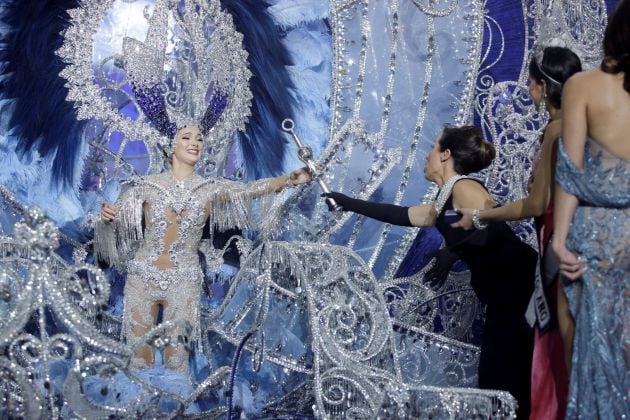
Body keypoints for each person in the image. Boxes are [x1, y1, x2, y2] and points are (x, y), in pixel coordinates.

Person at [324, 126, 537, 419]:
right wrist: (348, 203)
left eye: (434, 147)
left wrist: (456, 250)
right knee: (501, 385)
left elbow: (490, 227)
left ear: (446, 155)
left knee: (505, 385)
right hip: (503, 299)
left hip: (520, 293)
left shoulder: (465, 187)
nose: (427, 154)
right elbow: (400, 214)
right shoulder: (444, 200)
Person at [97, 125, 311, 375]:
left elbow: (250, 190)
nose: (195, 142)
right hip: (141, 280)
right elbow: (113, 228)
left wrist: (288, 179)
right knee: (138, 362)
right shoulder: (144, 186)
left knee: (176, 364)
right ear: (170, 146)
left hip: (184, 283)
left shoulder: (210, 189)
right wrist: (106, 218)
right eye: (186, 137)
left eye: (199, 139)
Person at [453, 46, 582, 420]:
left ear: (542, 85)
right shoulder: (572, 126)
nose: (527, 87)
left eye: (531, 81)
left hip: (559, 239)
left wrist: (482, 214)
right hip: (563, 237)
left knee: (553, 339)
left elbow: (534, 204)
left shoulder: (558, 130)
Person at [550, 0, 630, 417]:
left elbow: (570, 171)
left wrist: (559, 242)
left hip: (593, 235)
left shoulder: (583, 85)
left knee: (580, 348)